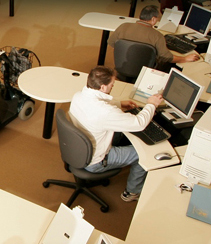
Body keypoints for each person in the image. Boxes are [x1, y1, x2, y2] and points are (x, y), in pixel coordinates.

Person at [69, 66, 163, 202]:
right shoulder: (105, 112)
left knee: (122, 135)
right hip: (96, 161)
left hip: (77, 150)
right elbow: (139, 123)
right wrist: (151, 105)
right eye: (112, 84)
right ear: (102, 87)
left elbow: (98, 103)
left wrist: (119, 104)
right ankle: (132, 192)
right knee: (144, 153)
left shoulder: (78, 96)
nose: (113, 86)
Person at [107, 5, 200, 72]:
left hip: (121, 67)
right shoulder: (157, 35)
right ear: (153, 19)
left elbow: (111, 43)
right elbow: (167, 57)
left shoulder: (123, 26)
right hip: (146, 71)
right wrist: (185, 58)